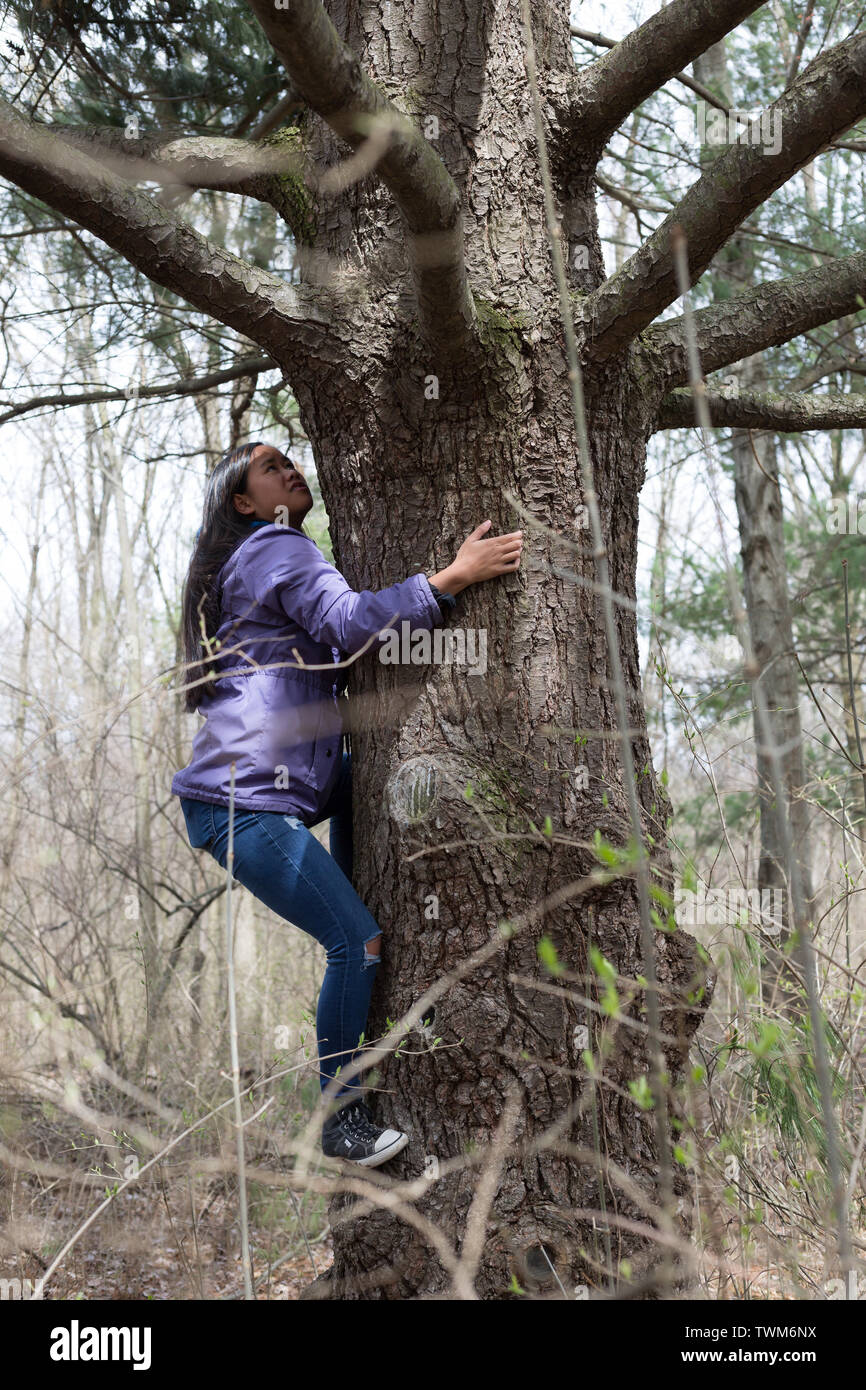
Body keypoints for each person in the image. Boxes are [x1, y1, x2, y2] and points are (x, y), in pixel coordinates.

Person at [171, 440, 523, 1166]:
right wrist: (452, 577)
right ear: (246, 503)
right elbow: (348, 626)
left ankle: (362, 887)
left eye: (289, 459)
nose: (291, 469)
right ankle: (340, 1122)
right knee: (355, 942)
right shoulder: (276, 545)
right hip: (245, 800)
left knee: (374, 777)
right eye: (271, 468)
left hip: (278, 786)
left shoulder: (265, 555)